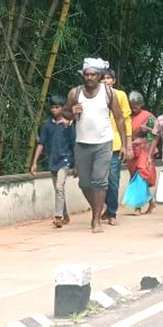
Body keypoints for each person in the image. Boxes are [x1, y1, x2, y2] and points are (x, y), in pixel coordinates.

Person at [63, 58, 130, 233]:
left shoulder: (108, 93)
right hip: (82, 143)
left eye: (93, 74)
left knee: (100, 181)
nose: (90, 77)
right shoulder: (75, 93)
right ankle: (97, 209)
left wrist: (124, 144)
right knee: (84, 183)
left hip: (103, 142)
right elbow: (65, 113)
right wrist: (72, 112)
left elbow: (120, 118)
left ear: (99, 76)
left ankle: (96, 220)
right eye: (87, 74)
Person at [31, 96, 76, 227]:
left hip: (65, 160)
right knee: (58, 190)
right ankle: (65, 215)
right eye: (52, 107)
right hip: (52, 160)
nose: (54, 110)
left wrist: (77, 163)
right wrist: (34, 162)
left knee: (59, 187)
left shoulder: (68, 125)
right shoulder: (47, 125)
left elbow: (74, 144)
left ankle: (58, 216)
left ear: (62, 108)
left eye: (57, 107)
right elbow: (41, 144)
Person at [100, 68, 133, 226]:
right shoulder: (92, 95)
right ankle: (106, 207)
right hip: (97, 144)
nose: (105, 81)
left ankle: (112, 212)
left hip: (115, 143)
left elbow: (126, 120)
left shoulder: (120, 95)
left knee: (113, 180)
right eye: (102, 78)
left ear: (113, 80)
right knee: (98, 180)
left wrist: (127, 145)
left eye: (108, 78)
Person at [122, 90, 158, 213]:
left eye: (136, 105)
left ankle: (137, 206)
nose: (134, 108)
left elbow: (156, 133)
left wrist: (146, 129)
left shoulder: (148, 116)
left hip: (144, 149)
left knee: (141, 174)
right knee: (134, 177)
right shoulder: (126, 117)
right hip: (131, 150)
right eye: (131, 106)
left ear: (141, 104)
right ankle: (151, 201)